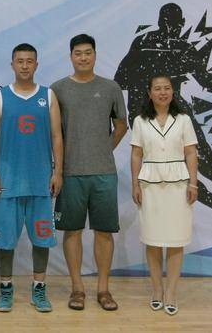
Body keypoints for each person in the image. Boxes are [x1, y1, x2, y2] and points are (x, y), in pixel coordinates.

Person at [114, 2, 212, 235]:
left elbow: (120, 79)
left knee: (197, 160)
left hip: (173, 111)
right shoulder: (153, 44)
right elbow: (120, 79)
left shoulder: (170, 45)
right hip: (146, 117)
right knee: (186, 172)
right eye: (170, 23)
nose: (172, 28)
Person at [51, 34, 127, 312]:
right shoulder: (57, 89)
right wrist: (58, 168)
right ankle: (77, 288)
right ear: (71, 56)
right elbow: (53, 132)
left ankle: (103, 289)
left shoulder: (110, 87)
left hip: (103, 172)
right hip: (70, 172)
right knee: (72, 231)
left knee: (104, 232)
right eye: (78, 53)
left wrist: (103, 149)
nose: (83, 57)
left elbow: (121, 125)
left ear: (95, 54)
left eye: (88, 52)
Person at [0, 43, 63, 313]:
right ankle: (6, 289)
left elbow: (57, 136)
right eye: (20, 61)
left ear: (36, 65)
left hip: (40, 182)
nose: (25, 65)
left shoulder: (48, 96)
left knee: (42, 239)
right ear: (12, 64)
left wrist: (58, 172)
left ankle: (39, 289)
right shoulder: (0, 97)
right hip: (8, 182)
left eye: (29, 61)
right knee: (5, 241)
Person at [130, 74, 198, 316]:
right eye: (157, 88)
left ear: (172, 92)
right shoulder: (140, 121)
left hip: (179, 186)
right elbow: (136, 154)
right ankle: (157, 290)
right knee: (153, 240)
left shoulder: (183, 119)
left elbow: (190, 153)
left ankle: (171, 292)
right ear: (149, 93)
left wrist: (193, 184)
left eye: (167, 88)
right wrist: (135, 184)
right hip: (149, 186)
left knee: (176, 240)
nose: (162, 92)